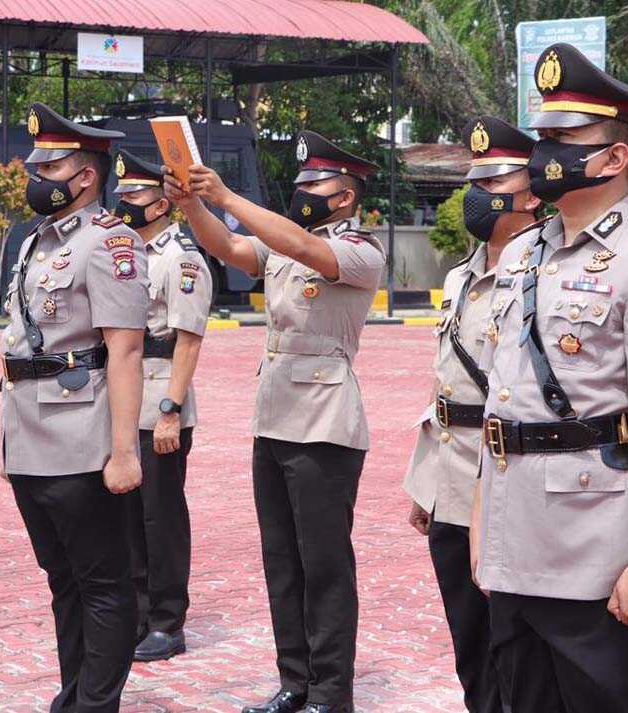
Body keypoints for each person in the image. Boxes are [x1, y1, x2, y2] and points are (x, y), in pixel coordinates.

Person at [472, 42, 628, 712]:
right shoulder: (521, 250)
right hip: (515, 542)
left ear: (614, 156)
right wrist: (485, 528)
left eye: (564, 138)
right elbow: (504, 401)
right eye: (542, 136)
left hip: (599, 553)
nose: (543, 151)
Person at [164, 131, 385, 713]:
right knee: (282, 560)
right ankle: (295, 682)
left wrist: (229, 197)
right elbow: (232, 250)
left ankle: (332, 693)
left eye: (316, 184)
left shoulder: (358, 249)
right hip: (275, 415)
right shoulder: (285, 242)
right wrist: (191, 204)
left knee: (324, 564)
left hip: (325, 421)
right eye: (300, 184)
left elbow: (304, 250)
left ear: (345, 196)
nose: (303, 192)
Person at [1, 102, 149, 713]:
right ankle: (74, 696)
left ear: (85, 175)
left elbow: (126, 349)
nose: (37, 176)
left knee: (104, 585)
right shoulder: (35, 240)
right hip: (31, 434)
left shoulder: (109, 242)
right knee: (63, 582)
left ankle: (96, 704)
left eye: (50, 165)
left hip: (82, 437)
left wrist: (123, 451)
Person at [402, 115, 539, 713]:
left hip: (510, 478)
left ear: (532, 192)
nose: (478, 196)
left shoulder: (541, 274)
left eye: (494, 181)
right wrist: (423, 484)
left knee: (514, 638)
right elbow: (446, 385)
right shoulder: (462, 274)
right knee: (468, 636)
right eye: (474, 181)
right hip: (451, 479)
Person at [111, 150, 213, 662]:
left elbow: (189, 340)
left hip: (159, 400)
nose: (124, 201)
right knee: (125, 512)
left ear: (161, 203)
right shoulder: (123, 254)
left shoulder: (182, 259)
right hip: (122, 401)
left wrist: (171, 408)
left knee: (160, 515)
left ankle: (168, 620)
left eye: (135, 194)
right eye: (122, 193)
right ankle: (137, 610)